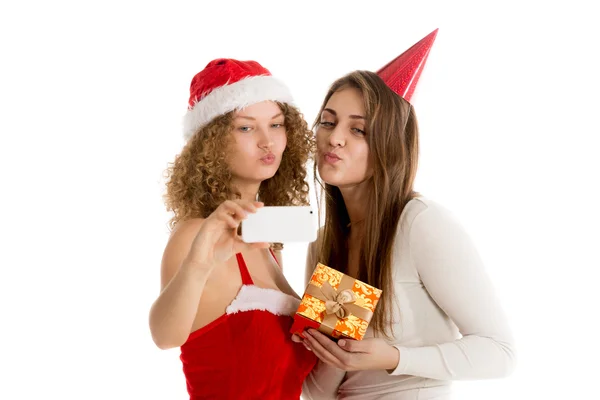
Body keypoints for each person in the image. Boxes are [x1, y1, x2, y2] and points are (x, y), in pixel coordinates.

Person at [295, 30, 516, 399]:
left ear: (390, 145)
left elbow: (500, 353)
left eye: (359, 130)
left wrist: (396, 358)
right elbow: (320, 391)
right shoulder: (326, 243)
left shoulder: (420, 224)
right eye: (329, 122)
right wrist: (335, 345)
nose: (335, 138)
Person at [149, 58, 316, 400]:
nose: (267, 142)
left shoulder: (269, 247)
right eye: (245, 127)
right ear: (210, 144)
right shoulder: (196, 234)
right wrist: (199, 264)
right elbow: (164, 336)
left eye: (277, 124)